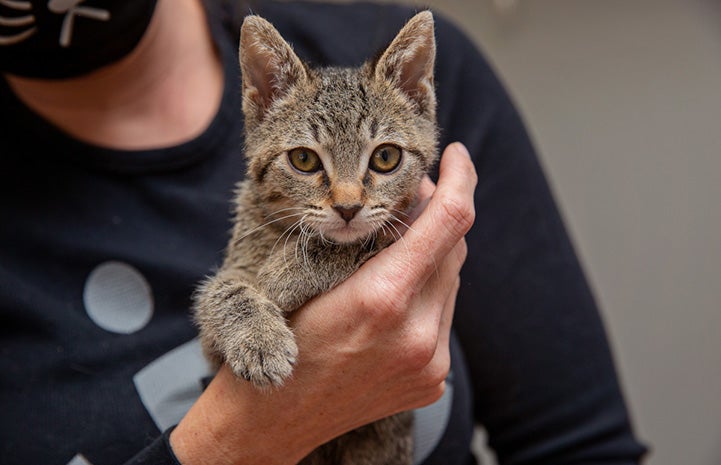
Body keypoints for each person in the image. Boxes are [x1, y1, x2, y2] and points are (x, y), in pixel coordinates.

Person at [0, 1, 647, 464]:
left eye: (383, 160)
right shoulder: (263, 207)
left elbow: (578, 444)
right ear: (259, 102)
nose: (345, 198)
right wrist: (240, 439)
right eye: (307, 161)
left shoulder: (385, 43)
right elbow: (231, 298)